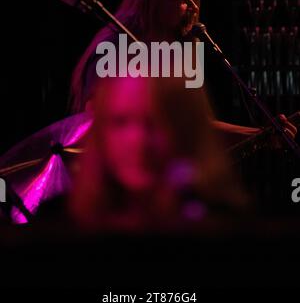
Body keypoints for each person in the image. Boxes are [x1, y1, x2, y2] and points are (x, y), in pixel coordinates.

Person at [70, 0, 297, 147]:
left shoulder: (185, 49)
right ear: (152, 4)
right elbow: (95, 120)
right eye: (182, 0)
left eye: (193, 0)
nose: (194, 8)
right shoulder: (115, 46)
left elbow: (198, 124)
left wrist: (261, 134)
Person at [69, 76, 248, 231]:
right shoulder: (72, 223)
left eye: (153, 123)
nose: (137, 141)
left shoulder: (224, 222)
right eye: (120, 122)